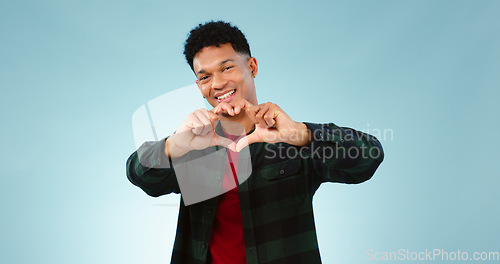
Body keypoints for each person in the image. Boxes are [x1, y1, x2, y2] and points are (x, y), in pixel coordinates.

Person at [126, 21, 384, 264]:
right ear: (199, 86)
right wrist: (174, 146)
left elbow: (368, 157)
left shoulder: (292, 139)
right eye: (205, 77)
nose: (217, 83)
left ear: (252, 67)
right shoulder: (193, 144)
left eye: (227, 68)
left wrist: (299, 134)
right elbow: (139, 174)